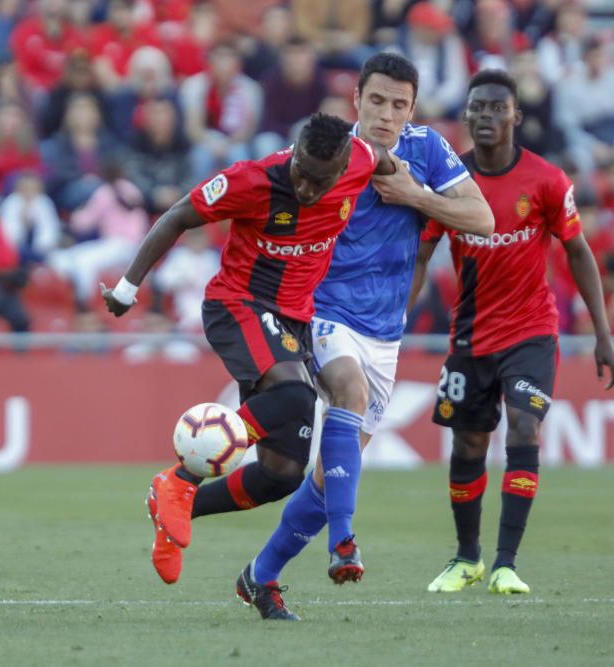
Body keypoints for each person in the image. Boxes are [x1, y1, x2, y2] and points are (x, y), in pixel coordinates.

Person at [101, 112, 397, 620]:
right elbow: (176, 216)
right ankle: (179, 478)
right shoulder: (252, 180)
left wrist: (419, 192)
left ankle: (177, 509)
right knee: (296, 397)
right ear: (294, 152)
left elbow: (387, 163)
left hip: (292, 323)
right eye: (300, 170)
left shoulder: (361, 160)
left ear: (344, 166)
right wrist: (128, 289)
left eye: (318, 179)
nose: (304, 185)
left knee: (283, 472)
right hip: (238, 304)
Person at [238, 51, 494, 618]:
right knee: (348, 395)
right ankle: (344, 542)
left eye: (398, 104)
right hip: (323, 313)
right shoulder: (333, 155)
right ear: (356, 99)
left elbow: (483, 219)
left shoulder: (426, 149)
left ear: (412, 109)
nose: (386, 114)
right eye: (376, 100)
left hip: (386, 332)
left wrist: (418, 197)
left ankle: (261, 574)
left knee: (334, 477)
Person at [411, 70, 614, 595]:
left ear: (515, 117)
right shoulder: (448, 180)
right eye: (476, 108)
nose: (485, 116)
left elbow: (577, 251)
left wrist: (603, 334)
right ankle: (467, 558)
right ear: (466, 116)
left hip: (531, 330)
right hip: (470, 335)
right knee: (468, 445)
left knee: (524, 428)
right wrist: (393, 322)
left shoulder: (547, 180)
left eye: (495, 108)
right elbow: (419, 254)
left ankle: (506, 563)